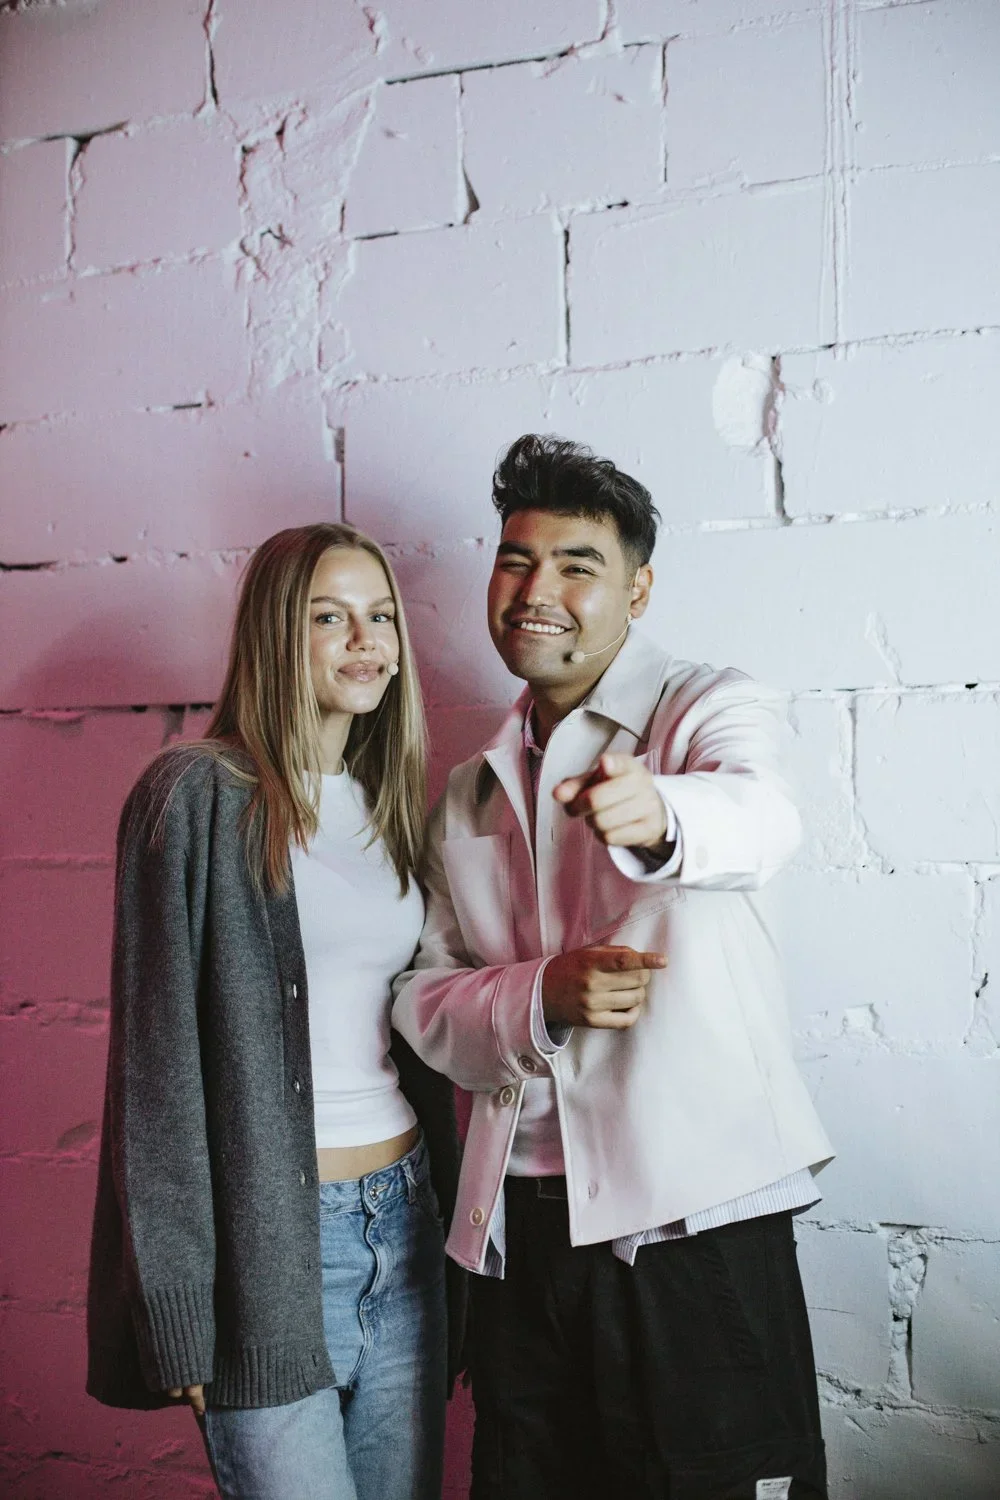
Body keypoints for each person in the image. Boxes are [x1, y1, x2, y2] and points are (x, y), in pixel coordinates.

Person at [392, 435, 835, 1500]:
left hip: (690, 1229)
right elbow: (424, 1001)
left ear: (637, 588)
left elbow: (764, 817)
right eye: (515, 560)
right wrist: (539, 993)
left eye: (576, 565)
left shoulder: (704, 709)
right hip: (517, 1237)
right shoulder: (464, 791)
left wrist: (660, 816)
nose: (536, 590)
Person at [87, 522, 463, 1500]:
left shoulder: (388, 807)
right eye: (328, 618)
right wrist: (176, 1303)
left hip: (403, 1223)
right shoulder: (196, 795)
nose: (364, 641)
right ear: (271, 637)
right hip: (272, 1250)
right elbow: (155, 1076)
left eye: (379, 617)